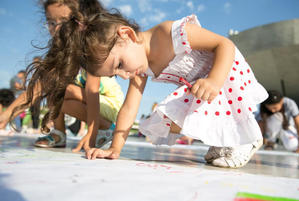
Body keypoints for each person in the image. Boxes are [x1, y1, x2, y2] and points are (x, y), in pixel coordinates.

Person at [34, 8, 269, 168]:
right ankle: (224, 141)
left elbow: (224, 44)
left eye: (119, 65)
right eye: (116, 74)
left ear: (126, 34)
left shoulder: (169, 33)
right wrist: (115, 148)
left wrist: (215, 80)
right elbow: (129, 108)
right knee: (167, 118)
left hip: (225, 70)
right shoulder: (140, 67)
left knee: (205, 101)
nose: (124, 75)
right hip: (201, 85)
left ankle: (247, 139)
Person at [0, 0, 124, 151]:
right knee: (52, 85)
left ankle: (106, 127)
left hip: (108, 104)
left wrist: (92, 133)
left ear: (82, 20)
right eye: (51, 22)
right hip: (86, 102)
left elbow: (92, 92)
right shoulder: (59, 52)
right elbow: (37, 90)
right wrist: (6, 115)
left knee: (62, 87)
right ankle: (59, 133)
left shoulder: (91, 47)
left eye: (65, 21)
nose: (57, 28)